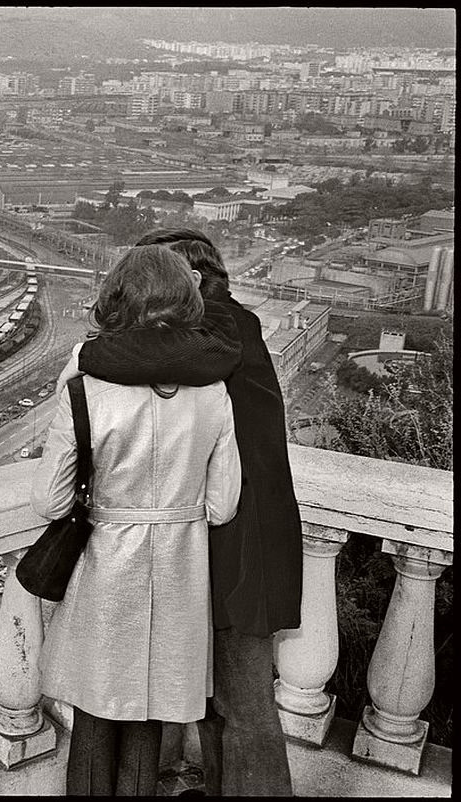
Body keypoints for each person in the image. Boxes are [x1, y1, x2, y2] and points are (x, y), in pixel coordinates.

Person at [70, 228, 303, 796]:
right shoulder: (224, 327)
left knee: (241, 701)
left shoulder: (222, 329)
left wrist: (88, 353)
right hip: (235, 537)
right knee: (220, 701)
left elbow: (126, 357)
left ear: (194, 281)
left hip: (238, 544)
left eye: (160, 278)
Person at [31, 245, 242, 796]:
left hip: (108, 564)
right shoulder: (215, 390)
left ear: (115, 300)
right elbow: (222, 505)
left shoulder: (85, 384)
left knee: (98, 708)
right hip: (180, 569)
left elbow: (51, 503)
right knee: (152, 709)